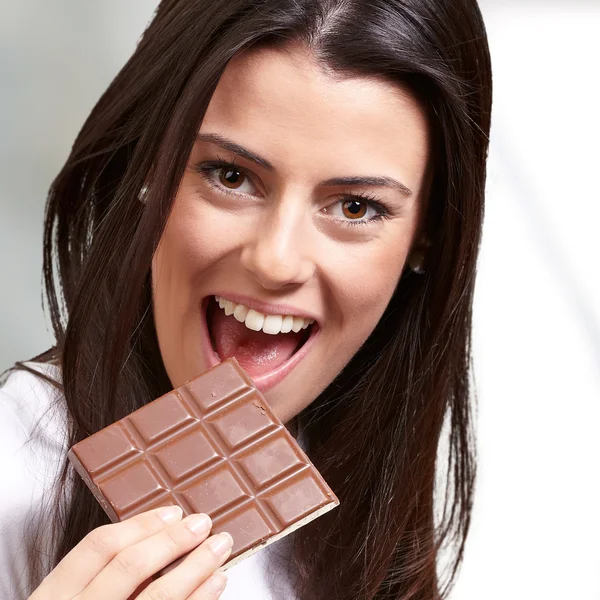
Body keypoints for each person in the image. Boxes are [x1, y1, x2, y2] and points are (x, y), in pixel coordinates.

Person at [0, 0, 492, 598]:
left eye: (356, 206)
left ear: (426, 237)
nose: (275, 261)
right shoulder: (12, 475)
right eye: (231, 175)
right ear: (149, 166)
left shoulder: (363, 494)